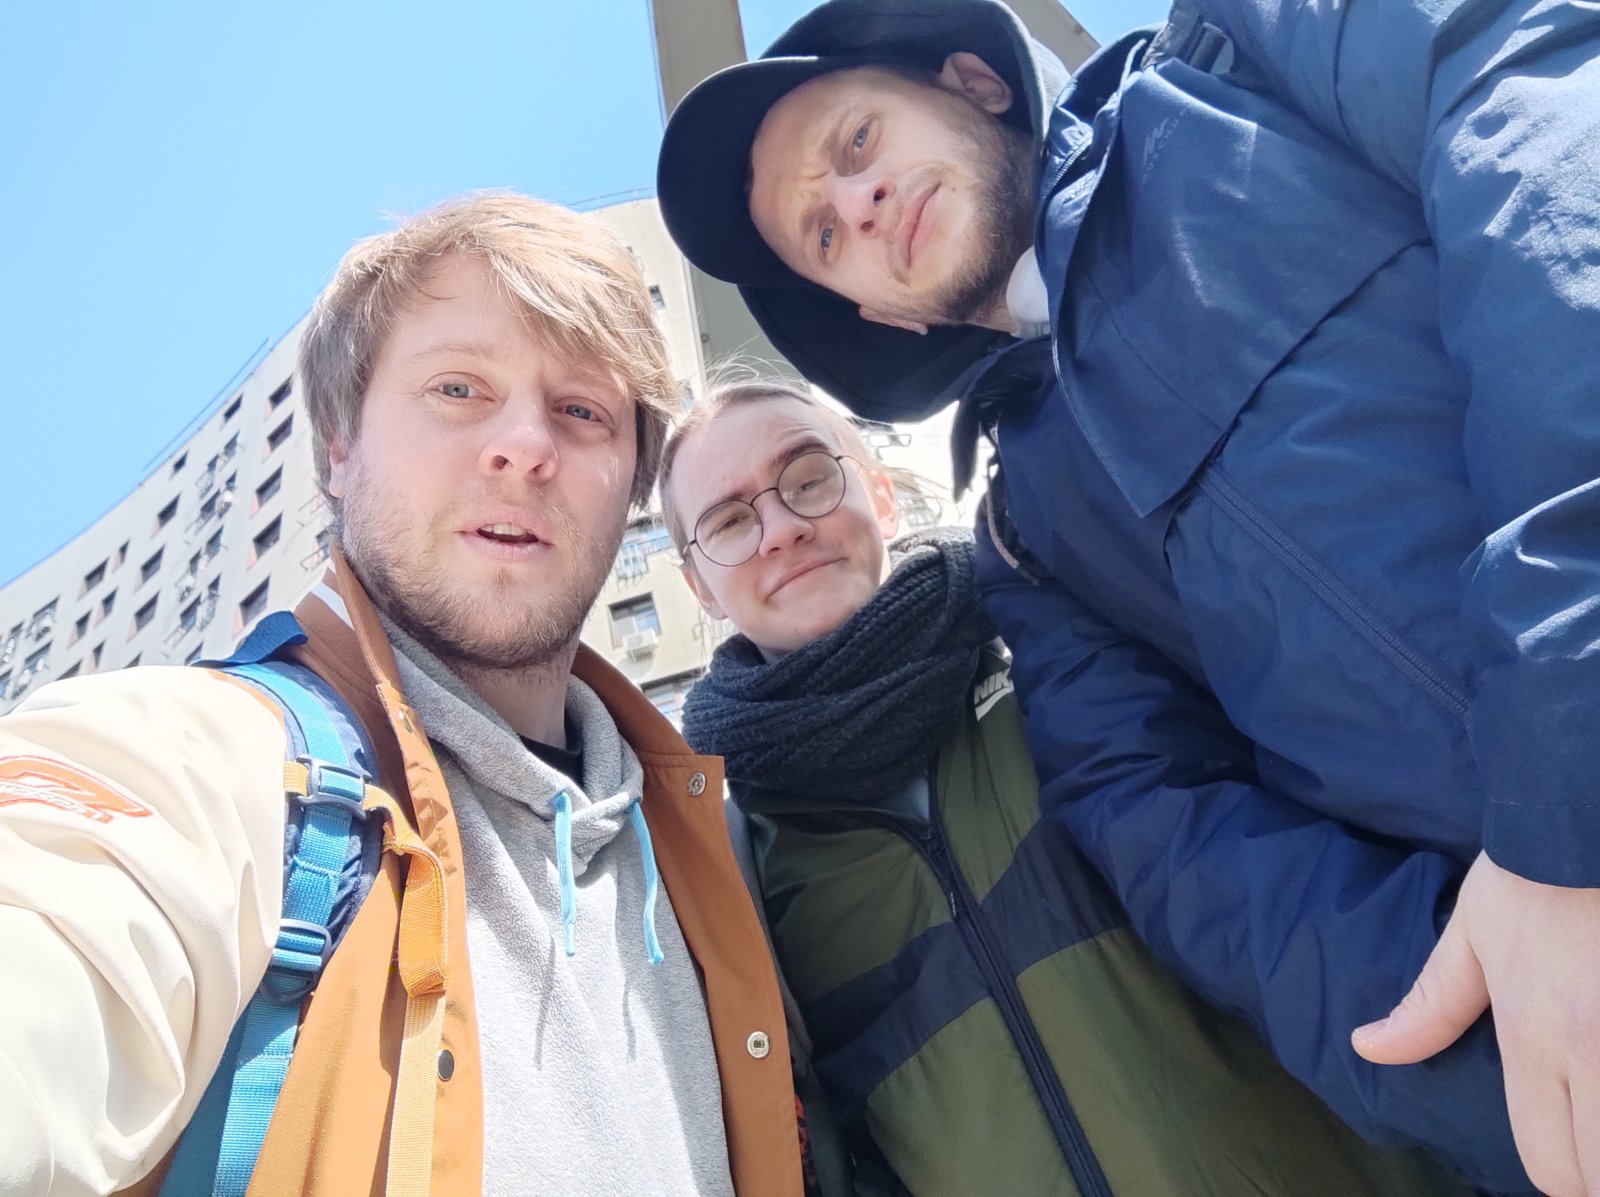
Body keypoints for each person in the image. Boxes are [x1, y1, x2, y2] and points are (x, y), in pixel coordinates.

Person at [654, 0, 1600, 1192]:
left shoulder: (1241, 62)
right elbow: (1196, 861)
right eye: (825, 234)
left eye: (857, 142)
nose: (863, 202)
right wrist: (1503, 1053)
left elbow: (1534, 132)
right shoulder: (1031, 549)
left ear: (974, 80)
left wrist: (1559, 817)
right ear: (881, 314)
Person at [0, 194, 809, 1196]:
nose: (525, 445)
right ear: (339, 448)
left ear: (630, 485)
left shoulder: (719, 846)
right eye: (459, 388)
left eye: (582, 411)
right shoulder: (209, 761)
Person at [660, 376, 1464, 1196]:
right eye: (729, 522)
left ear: (880, 497)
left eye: (807, 480)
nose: (782, 529)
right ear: (699, 588)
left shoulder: (1069, 654)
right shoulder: (735, 870)